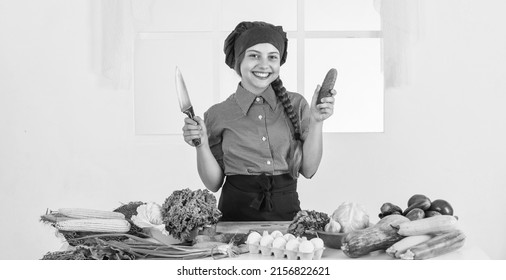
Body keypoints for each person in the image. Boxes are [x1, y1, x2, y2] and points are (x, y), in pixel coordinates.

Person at [182, 21, 336, 221]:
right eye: (254, 55)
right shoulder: (217, 114)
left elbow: (309, 169)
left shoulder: (297, 104)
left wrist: (317, 122)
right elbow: (213, 183)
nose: (264, 65)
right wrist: (201, 145)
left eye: (272, 57)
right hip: (233, 221)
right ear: (238, 62)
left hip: (287, 222)